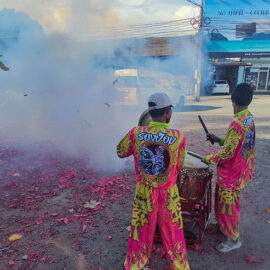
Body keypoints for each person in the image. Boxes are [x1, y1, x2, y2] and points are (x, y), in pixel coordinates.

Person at [117, 92, 190, 270]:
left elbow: (120, 151)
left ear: (149, 113)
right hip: (169, 193)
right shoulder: (179, 137)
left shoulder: (136, 132)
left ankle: (136, 264)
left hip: (144, 192)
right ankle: (179, 265)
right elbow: (179, 166)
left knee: (141, 230)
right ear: (168, 113)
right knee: (173, 232)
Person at [203, 83, 255, 253]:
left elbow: (227, 154)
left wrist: (209, 158)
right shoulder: (248, 118)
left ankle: (233, 239)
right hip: (242, 170)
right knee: (223, 201)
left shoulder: (237, 124)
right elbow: (237, 143)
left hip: (231, 174)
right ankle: (222, 225)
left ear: (232, 99)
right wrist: (218, 139)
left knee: (228, 205)